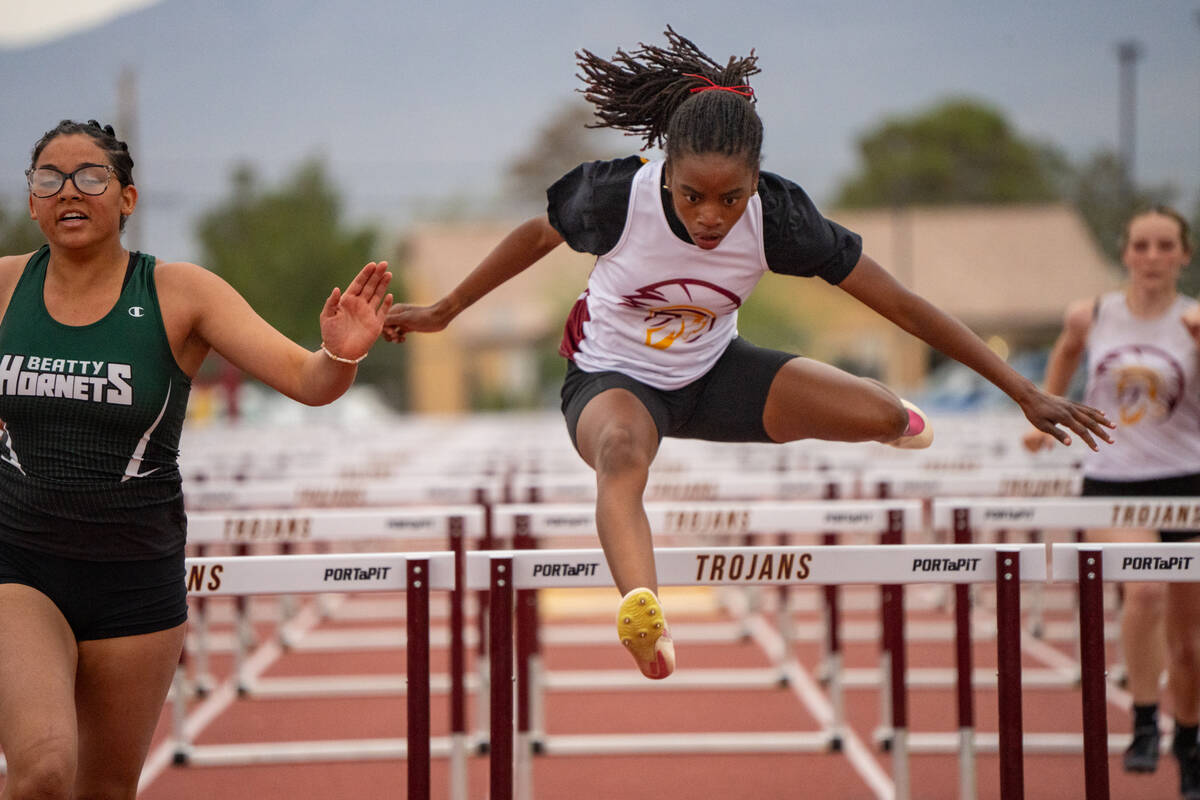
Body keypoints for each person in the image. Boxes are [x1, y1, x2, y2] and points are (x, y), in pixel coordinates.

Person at [383, 27, 1113, 682]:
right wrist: (445, 310)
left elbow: (903, 306)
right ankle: (645, 615)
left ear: (754, 182)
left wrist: (1021, 388)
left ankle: (893, 418)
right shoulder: (617, 195)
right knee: (620, 453)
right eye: (695, 195)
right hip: (613, 377)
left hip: (716, 374)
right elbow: (536, 234)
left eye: (729, 198)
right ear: (665, 169)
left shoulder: (780, 218)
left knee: (881, 412)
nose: (710, 217)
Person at [0, 119, 392, 800]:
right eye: (49, 178)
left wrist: (342, 352)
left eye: (91, 177)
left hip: (134, 581)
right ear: (31, 200)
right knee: (42, 770)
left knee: (103, 789)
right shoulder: (5, 288)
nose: (69, 191)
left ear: (127, 198)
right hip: (19, 566)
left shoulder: (179, 293)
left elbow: (307, 382)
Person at [1023, 206, 1200, 796]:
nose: (1152, 257)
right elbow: (1069, 351)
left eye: (1165, 246)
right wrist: (1044, 406)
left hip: (1186, 482)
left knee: (1191, 641)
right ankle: (1147, 720)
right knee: (1144, 590)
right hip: (1114, 481)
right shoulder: (1093, 314)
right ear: (1125, 254)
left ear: (1184, 255)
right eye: (1142, 246)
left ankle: (1190, 738)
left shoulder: (1195, 322)